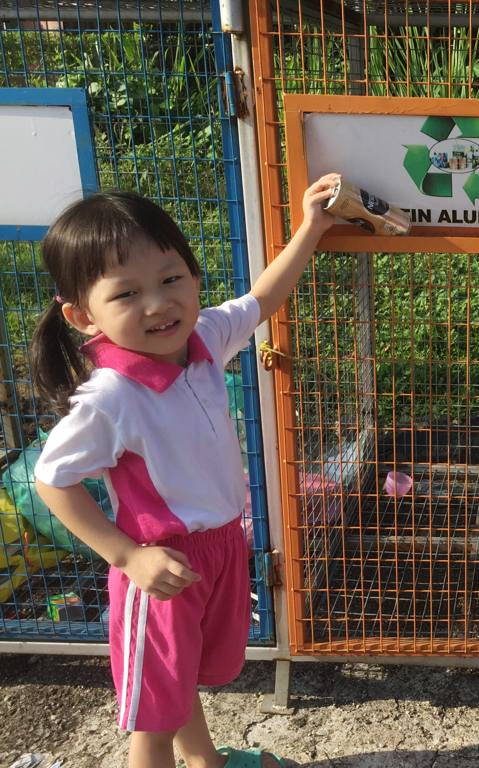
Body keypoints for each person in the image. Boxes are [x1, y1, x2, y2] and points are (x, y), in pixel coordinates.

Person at [31, 173, 340, 768]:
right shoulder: (110, 397)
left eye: (171, 279)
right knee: (153, 719)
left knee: (183, 678)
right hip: (160, 564)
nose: (158, 304)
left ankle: (205, 762)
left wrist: (312, 227)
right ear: (82, 315)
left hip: (219, 547)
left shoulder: (202, 339)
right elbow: (52, 480)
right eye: (127, 293)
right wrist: (128, 557)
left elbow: (262, 299)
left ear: (195, 277)